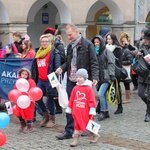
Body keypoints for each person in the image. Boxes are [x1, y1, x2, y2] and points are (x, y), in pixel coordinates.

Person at [55, 23, 99, 140]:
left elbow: (94, 62)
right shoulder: (69, 46)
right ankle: (69, 131)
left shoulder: (88, 45)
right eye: (67, 35)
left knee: (88, 108)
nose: (68, 37)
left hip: (84, 81)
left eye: (70, 35)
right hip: (71, 80)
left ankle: (92, 130)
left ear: (76, 32)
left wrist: (95, 77)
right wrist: (62, 68)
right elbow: (68, 62)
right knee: (71, 107)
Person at [31, 34, 60, 128]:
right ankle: (45, 116)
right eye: (43, 41)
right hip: (40, 79)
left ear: (50, 42)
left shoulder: (54, 52)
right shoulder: (38, 52)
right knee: (37, 98)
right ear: (40, 42)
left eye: (46, 41)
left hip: (50, 79)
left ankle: (52, 119)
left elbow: (57, 67)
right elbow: (34, 67)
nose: (44, 43)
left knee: (50, 99)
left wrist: (55, 80)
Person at [65, 68, 99, 147]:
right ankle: (76, 139)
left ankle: (95, 134)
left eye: (80, 77)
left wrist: (92, 109)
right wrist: (70, 108)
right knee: (77, 124)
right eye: (77, 77)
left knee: (88, 124)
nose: (78, 79)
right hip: (77, 110)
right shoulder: (75, 88)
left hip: (86, 111)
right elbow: (72, 99)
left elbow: (91, 100)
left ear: (85, 77)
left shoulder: (88, 89)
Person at [91, 35, 115, 121]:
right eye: (95, 42)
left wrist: (111, 75)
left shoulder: (106, 51)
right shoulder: (94, 53)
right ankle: (106, 111)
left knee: (101, 94)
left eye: (97, 42)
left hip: (106, 76)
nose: (96, 44)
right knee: (102, 94)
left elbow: (111, 63)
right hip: (99, 77)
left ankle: (103, 111)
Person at [43, 27, 66, 114]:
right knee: (52, 89)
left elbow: (63, 58)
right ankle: (53, 105)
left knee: (55, 88)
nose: (48, 37)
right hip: (49, 70)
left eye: (49, 36)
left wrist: (54, 58)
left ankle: (58, 107)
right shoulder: (47, 46)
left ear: (53, 36)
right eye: (47, 36)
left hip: (57, 70)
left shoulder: (58, 45)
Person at [13, 67, 36, 133]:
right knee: (18, 112)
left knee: (28, 114)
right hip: (20, 100)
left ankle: (29, 126)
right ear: (20, 74)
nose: (24, 75)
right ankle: (23, 124)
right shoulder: (18, 81)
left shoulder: (31, 82)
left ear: (28, 75)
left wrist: (32, 98)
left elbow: (33, 90)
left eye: (26, 74)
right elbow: (15, 90)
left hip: (28, 101)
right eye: (23, 74)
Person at [106, 33, 123, 114]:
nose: (108, 40)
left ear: (113, 39)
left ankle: (120, 106)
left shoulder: (118, 49)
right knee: (105, 88)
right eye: (107, 39)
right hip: (107, 71)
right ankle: (100, 107)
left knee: (116, 88)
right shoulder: (105, 48)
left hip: (115, 71)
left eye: (109, 39)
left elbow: (120, 62)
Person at [137, 29, 150, 122]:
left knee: (149, 95)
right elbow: (137, 59)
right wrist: (138, 55)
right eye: (146, 39)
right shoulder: (142, 45)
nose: (146, 41)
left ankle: (148, 113)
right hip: (142, 73)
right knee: (141, 93)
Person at [119, 32, 133, 104]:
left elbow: (130, 60)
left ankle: (128, 98)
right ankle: (125, 97)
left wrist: (122, 63)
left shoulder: (126, 50)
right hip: (123, 69)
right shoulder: (122, 49)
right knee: (124, 83)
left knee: (126, 83)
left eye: (120, 42)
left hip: (126, 69)